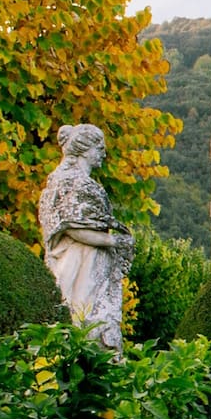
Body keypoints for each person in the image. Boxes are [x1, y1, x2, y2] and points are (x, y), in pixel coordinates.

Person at [39, 123, 135, 352]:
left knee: (89, 320)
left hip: (86, 261)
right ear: (84, 149)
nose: (103, 153)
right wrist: (113, 241)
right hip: (80, 262)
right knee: (84, 318)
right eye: (99, 148)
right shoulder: (73, 182)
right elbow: (71, 227)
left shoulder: (65, 180)